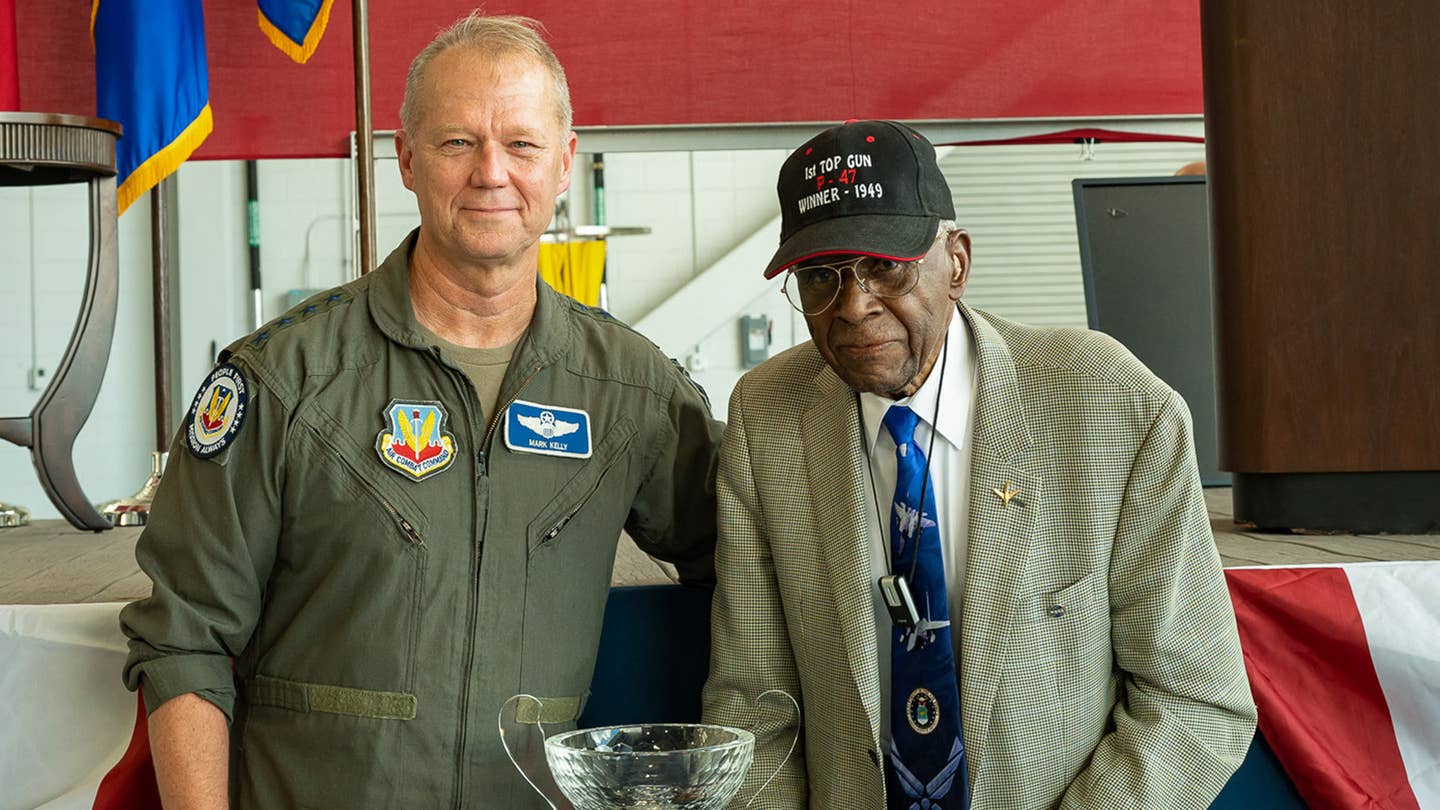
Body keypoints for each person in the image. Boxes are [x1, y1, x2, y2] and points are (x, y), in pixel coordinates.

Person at [120, 12, 722, 809]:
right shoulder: (282, 381)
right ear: (405, 159)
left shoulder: (632, 394)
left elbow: (755, 556)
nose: (491, 173)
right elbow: (182, 642)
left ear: (566, 162)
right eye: (456, 143)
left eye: (522, 144)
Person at [701, 120, 1256, 809]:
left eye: (886, 265)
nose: (853, 305)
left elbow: (1195, 701)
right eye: (820, 277)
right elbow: (754, 705)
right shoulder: (767, 417)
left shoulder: (1115, 406)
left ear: (956, 262)